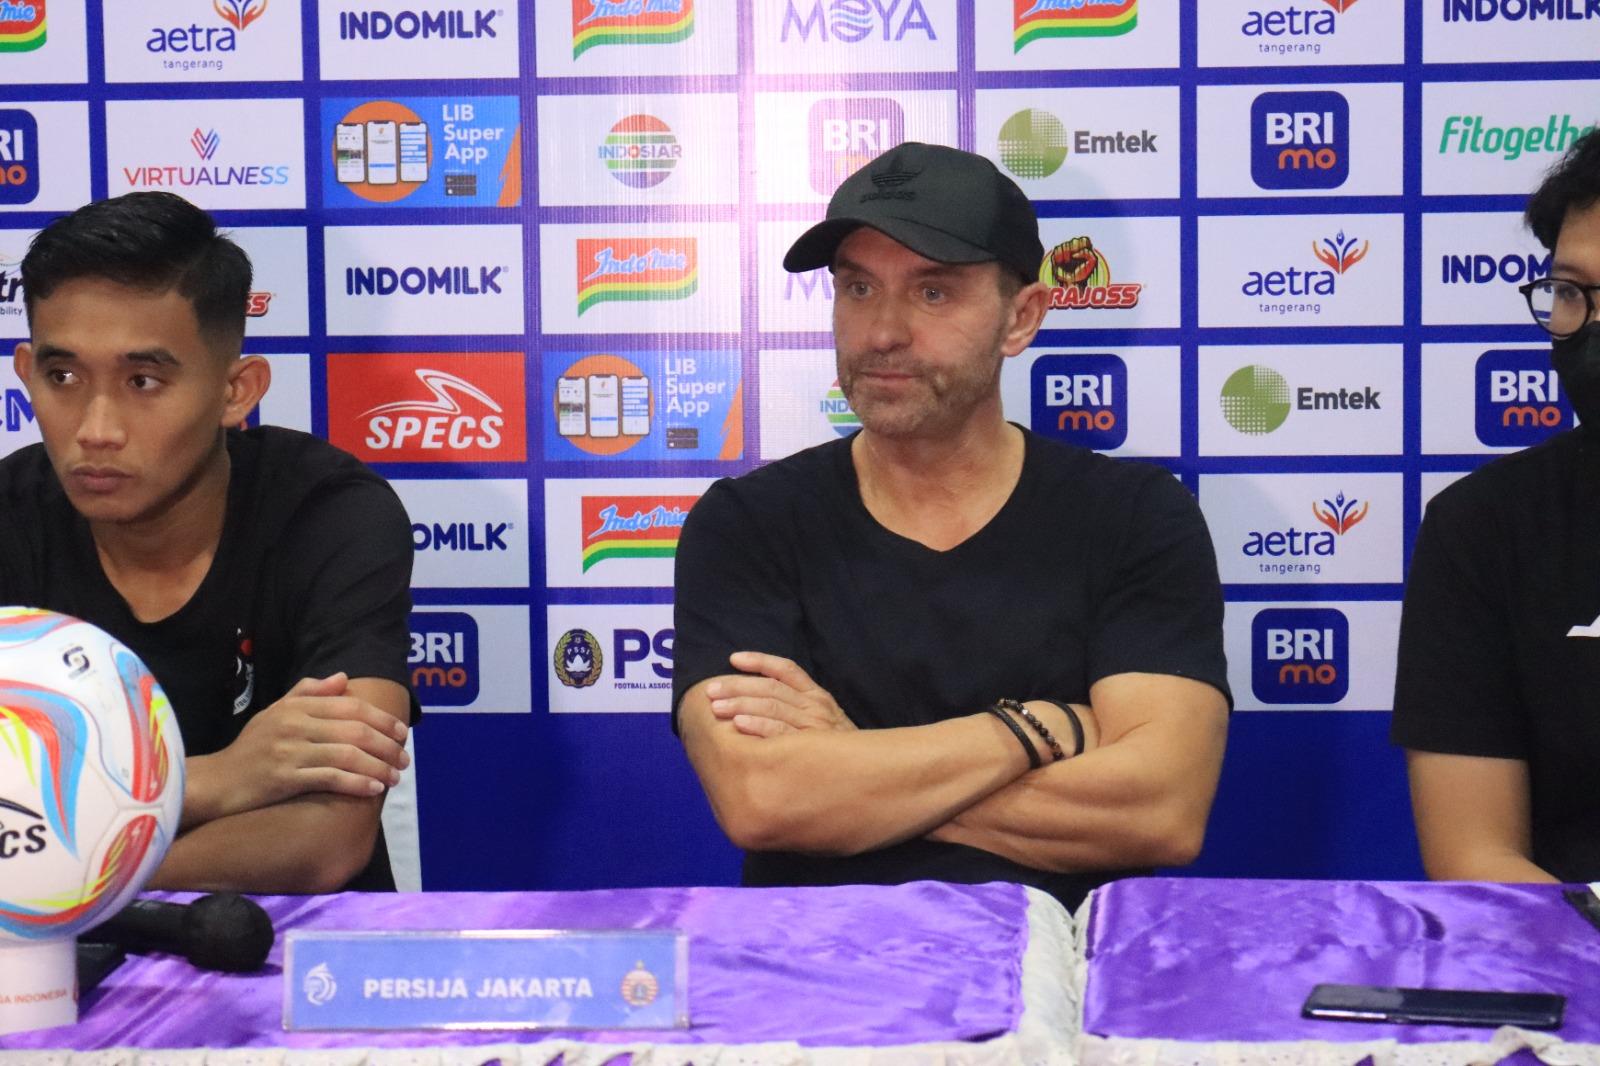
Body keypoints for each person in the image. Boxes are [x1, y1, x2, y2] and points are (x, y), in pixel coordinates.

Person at [671, 142, 1230, 908]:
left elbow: (1160, 811)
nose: (883, 332)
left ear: (1021, 318)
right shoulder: (749, 523)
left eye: (933, 293)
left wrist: (853, 769)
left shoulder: (1134, 515)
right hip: (819, 967)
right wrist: (1035, 728)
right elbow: (762, 799)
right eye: (858, 288)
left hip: (1063, 967)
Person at [1, 192, 417, 892]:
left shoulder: (330, 514)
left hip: (295, 947)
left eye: (143, 381)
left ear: (236, 392)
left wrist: (51, 873)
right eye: (62, 376)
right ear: (25, 372)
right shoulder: (10, 518)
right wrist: (221, 779)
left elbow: (328, 839)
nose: (96, 429)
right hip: (44, 954)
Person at [1393, 129, 1600, 884]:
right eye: (1572, 293)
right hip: (1574, 948)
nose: (1590, 329)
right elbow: (1475, 859)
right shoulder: (1484, 529)